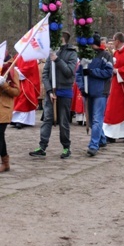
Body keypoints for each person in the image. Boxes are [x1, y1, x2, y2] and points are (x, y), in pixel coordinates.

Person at [29, 31, 77, 159]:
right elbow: (45, 74)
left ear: (63, 39)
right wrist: (49, 91)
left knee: (63, 121)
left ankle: (66, 147)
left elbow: (69, 72)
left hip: (65, 92)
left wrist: (58, 60)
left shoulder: (72, 53)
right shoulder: (51, 53)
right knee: (47, 120)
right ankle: (42, 146)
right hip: (51, 94)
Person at [76, 34, 112, 156]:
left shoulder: (106, 56)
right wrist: (82, 87)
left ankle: (93, 145)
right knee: (91, 120)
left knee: (97, 119)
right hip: (87, 91)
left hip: (100, 92)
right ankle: (101, 139)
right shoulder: (84, 56)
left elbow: (108, 72)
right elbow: (79, 74)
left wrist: (92, 72)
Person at [10, 56, 41, 128]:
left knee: (25, 98)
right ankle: (15, 119)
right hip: (18, 82)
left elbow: (29, 69)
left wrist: (16, 71)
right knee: (17, 99)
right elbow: (13, 63)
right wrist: (13, 68)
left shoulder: (31, 57)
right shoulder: (18, 55)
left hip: (27, 81)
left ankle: (22, 120)